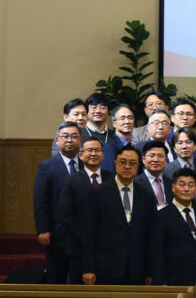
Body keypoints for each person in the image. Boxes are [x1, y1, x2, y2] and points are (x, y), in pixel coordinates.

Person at [82, 145, 156, 285]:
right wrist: (88, 268)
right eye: (123, 162)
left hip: (137, 270)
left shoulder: (146, 196)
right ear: (115, 163)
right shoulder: (98, 193)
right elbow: (89, 234)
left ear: (138, 166)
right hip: (106, 268)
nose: (127, 166)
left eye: (132, 163)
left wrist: (150, 271)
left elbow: (151, 237)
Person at [59, 137, 113, 284]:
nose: (93, 154)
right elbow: (67, 215)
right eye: (89, 150)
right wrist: (86, 238)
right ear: (81, 155)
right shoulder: (71, 180)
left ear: (103, 155)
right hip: (79, 247)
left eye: (97, 150)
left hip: (108, 248)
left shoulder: (112, 179)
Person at [34, 121, 82, 284]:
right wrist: (43, 229)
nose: (69, 140)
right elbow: (40, 201)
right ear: (57, 140)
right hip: (56, 233)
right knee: (56, 278)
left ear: (80, 140)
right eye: (65, 136)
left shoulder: (87, 165)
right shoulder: (46, 167)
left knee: (79, 280)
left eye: (74, 136)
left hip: (81, 234)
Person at [149, 167, 196, 286]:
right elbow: (157, 253)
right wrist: (161, 282)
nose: (186, 189)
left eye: (191, 185)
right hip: (173, 281)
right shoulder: (161, 216)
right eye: (182, 185)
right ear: (173, 187)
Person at [135, 140, 173, 209]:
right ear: (143, 159)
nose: (156, 159)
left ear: (166, 160)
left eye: (160, 156)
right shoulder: (134, 183)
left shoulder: (172, 184)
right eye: (151, 156)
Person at [101, 104, 135, 172]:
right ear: (114, 124)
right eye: (122, 118)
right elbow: (108, 174)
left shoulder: (133, 146)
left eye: (130, 118)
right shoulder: (109, 148)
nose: (127, 121)